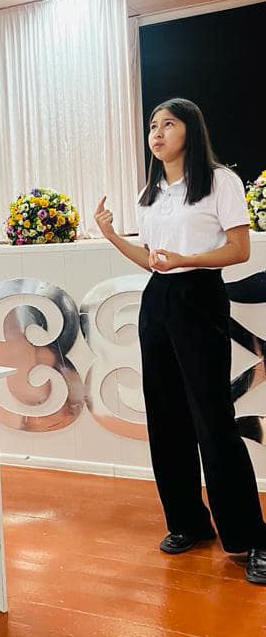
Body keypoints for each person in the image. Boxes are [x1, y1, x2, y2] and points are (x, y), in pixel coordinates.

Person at [94, 98, 266, 585]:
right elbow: (153, 259)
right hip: (159, 299)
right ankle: (188, 521)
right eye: (153, 125)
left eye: (168, 124)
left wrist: (186, 260)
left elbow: (239, 249)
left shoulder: (219, 181)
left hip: (200, 297)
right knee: (165, 416)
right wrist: (111, 235)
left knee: (213, 418)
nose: (157, 132)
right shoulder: (150, 194)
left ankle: (252, 538)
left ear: (191, 130)